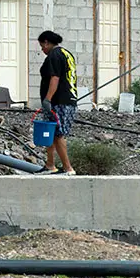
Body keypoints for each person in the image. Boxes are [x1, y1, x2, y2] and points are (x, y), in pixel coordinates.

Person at [37, 30, 77, 175]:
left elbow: (55, 78)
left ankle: (68, 168)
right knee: (51, 132)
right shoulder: (67, 54)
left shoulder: (54, 55)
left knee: (58, 134)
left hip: (59, 101)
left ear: (47, 42)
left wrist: (48, 99)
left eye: (42, 46)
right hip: (68, 100)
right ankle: (50, 165)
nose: (42, 49)